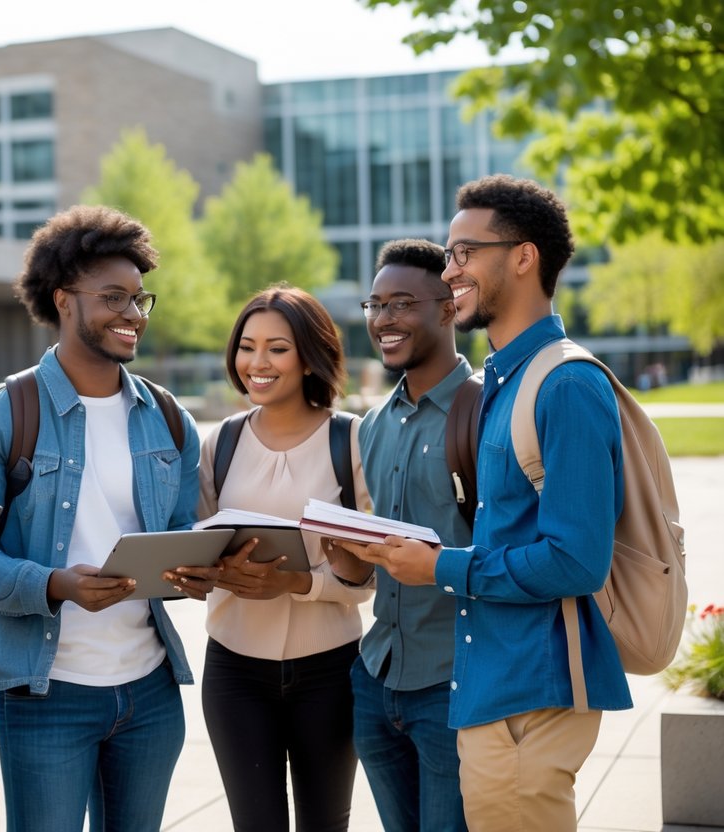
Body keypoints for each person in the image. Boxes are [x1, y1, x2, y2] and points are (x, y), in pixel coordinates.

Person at [349, 175, 631, 831]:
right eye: (449, 257)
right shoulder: (504, 384)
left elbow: (575, 560)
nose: (449, 273)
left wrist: (437, 566)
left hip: (527, 696)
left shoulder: (563, 384)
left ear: (523, 257)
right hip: (488, 689)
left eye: (463, 254)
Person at [0, 204, 203, 832]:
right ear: (64, 300)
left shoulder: (168, 418)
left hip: (150, 689)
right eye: (114, 297)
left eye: (141, 300)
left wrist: (201, 567)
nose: (133, 314)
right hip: (45, 690)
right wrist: (54, 586)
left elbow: (182, 532)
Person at [176, 284, 375, 832]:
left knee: (325, 825)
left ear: (310, 355)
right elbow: (197, 541)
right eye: (247, 345)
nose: (256, 362)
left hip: (331, 669)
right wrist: (211, 570)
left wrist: (297, 583)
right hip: (235, 670)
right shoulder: (223, 442)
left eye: (277, 348)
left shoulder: (351, 441)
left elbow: (371, 571)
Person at [353, 240, 471, 832]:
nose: (383, 320)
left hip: (454, 687)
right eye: (374, 306)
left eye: (401, 304)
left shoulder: (485, 411)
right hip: (376, 682)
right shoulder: (372, 424)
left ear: (449, 307)